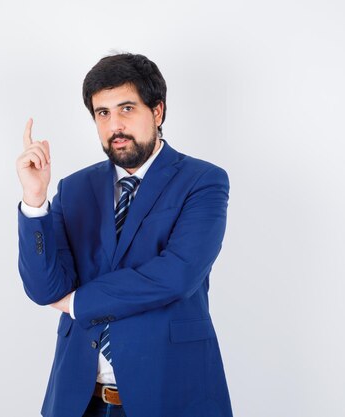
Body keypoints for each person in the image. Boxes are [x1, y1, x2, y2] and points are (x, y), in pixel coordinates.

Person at [16, 53, 233, 417]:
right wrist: (35, 201)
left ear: (158, 112)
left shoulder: (203, 181)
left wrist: (79, 303)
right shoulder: (74, 188)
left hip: (172, 396)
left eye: (127, 108)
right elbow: (45, 289)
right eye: (103, 113)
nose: (114, 125)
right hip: (79, 400)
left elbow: (176, 276)